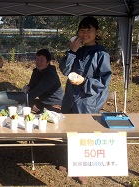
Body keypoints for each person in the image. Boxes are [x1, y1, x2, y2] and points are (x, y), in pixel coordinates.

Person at [58, 16, 112, 184]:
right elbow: (65, 70)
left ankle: (83, 168)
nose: (85, 33)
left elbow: (104, 82)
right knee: (70, 131)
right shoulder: (77, 50)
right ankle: (71, 161)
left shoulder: (101, 53)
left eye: (89, 29)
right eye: (82, 30)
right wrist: (72, 51)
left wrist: (85, 82)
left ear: (96, 32)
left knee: (84, 134)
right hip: (71, 98)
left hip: (87, 101)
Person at [22, 49, 63, 114]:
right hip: (43, 102)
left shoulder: (51, 75)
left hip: (54, 104)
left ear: (48, 62)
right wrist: (26, 89)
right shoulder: (36, 71)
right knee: (26, 106)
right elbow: (31, 86)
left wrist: (20, 99)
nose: (39, 62)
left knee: (25, 105)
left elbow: (37, 91)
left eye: (42, 60)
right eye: (37, 59)